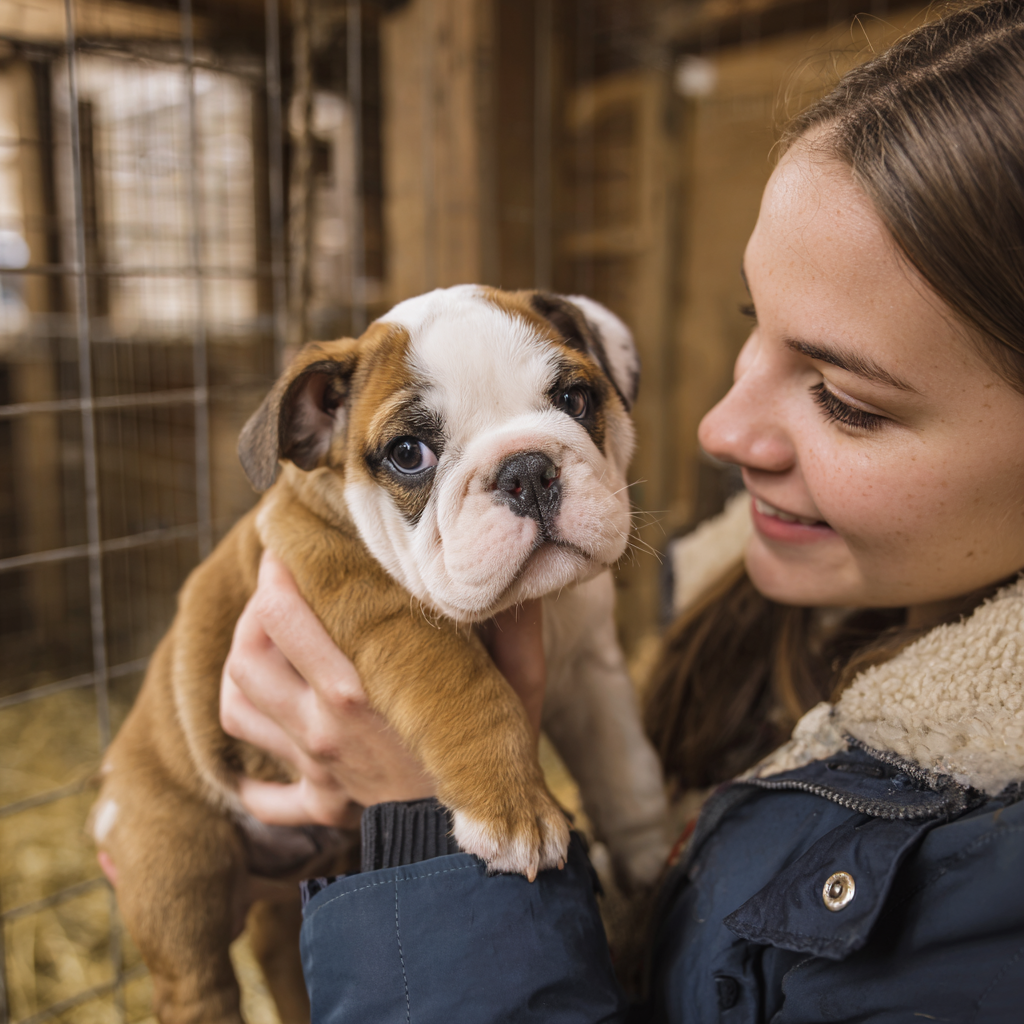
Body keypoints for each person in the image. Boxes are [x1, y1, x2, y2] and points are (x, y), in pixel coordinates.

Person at [219, 1, 1024, 1019]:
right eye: (754, 329)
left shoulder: (990, 903)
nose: (720, 429)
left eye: (845, 399)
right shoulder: (733, 607)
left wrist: (423, 828)